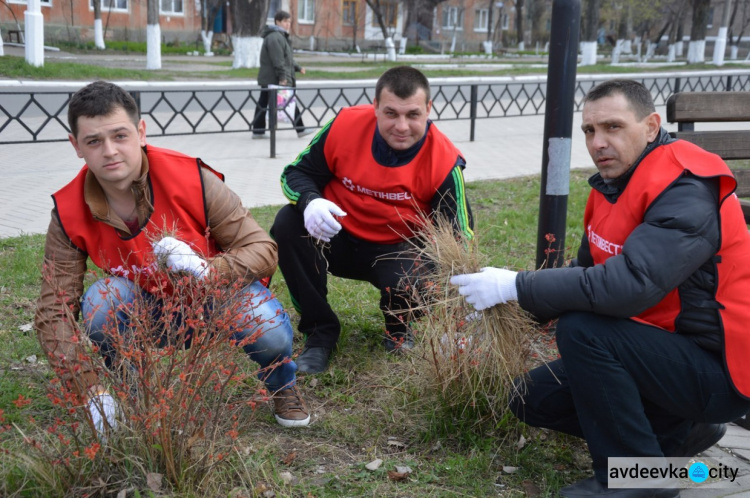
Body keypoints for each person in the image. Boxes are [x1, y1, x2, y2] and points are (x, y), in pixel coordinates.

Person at [451, 79, 750, 497]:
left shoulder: (685, 188)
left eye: (613, 127)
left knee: (582, 329)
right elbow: (588, 271)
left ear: (650, 126)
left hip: (719, 369)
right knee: (530, 397)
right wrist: (505, 307)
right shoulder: (613, 184)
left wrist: (516, 284)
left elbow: (629, 287)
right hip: (662, 353)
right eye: (589, 131)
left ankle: (635, 480)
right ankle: (683, 429)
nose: (598, 142)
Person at [34, 81, 310, 436]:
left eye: (120, 136)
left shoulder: (190, 178)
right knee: (101, 301)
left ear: (141, 132)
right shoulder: (69, 211)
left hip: (214, 298)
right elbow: (53, 309)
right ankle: (130, 395)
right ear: (76, 147)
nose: (109, 151)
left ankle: (281, 383)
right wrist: (88, 388)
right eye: (93, 141)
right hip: (148, 311)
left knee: (268, 329)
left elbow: (262, 249)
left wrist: (208, 269)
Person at [271, 65, 474, 374]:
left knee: (419, 268)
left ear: (429, 109)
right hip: (337, 235)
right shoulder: (346, 125)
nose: (402, 126)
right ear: (375, 106)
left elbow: (459, 239)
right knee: (288, 222)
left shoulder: (444, 161)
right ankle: (320, 332)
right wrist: (311, 203)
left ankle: (399, 327)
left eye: (413, 115)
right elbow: (296, 173)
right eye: (391, 113)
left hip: (397, 249)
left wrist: (460, 310)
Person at [252, 10, 311, 139]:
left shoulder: (280, 36)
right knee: (287, 101)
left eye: (289, 21)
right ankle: (300, 129)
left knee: (263, 102)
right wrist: (283, 77)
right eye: (285, 21)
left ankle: (258, 130)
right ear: (277, 22)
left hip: (271, 77)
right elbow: (278, 60)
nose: (288, 24)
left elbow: (287, 59)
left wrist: (298, 68)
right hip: (273, 78)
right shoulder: (275, 37)